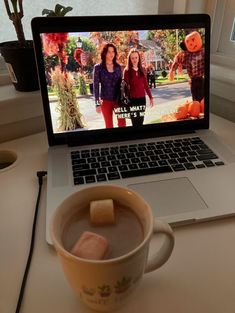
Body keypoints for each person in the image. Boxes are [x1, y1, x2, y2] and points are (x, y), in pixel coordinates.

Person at [93, 43, 126, 128]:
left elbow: (121, 84)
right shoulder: (98, 67)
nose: (111, 54)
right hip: (105, 101)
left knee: (122, 124)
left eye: (113, 52)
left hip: (118, 100)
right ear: (104, 53)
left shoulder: (118, 67)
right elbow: (96, 87)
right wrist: (97, 104)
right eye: (109, 52)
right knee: (109, 126)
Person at [169, 31, 204, 102]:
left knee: (202, 97)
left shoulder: (203, 52)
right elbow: (178, 58)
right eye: (188, 42)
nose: (191, 44)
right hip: (193, 81)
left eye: (193, 40)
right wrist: (172, 70)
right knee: (195, 98)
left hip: (202, 79)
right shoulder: (186, 55)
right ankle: (196, 106)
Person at [123, 48, 154, 127]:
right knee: (135, 121)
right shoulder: (127, 71)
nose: (134, 60)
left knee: (141, 120)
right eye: (132, 58)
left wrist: (151, 97)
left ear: (139, 58)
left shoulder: (143, 69)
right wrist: (125, 101)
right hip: (132, 100)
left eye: (136, 57)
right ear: (130, 59)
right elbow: (125, 87)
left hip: (142, 99)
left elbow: (146, 85)